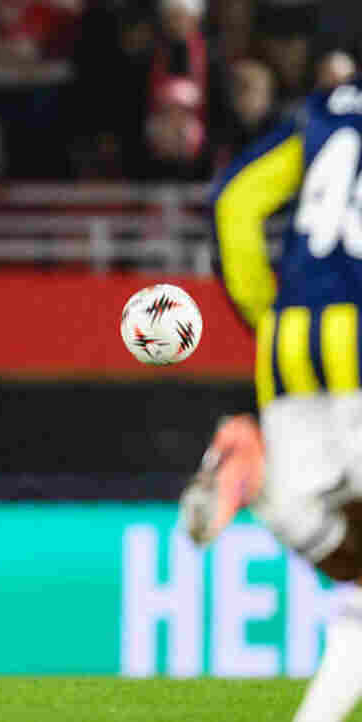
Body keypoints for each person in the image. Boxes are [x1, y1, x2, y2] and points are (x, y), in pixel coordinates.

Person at [198, 78, 362, 721]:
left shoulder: (330, 109)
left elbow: (234, 203)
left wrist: (268, 318)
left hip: (292, 337)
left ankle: (264, 490)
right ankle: (266, 491)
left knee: (358, 573)